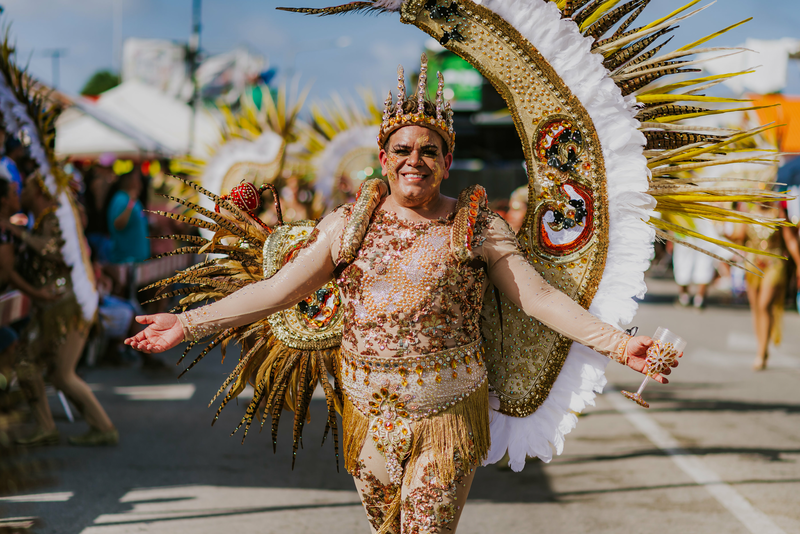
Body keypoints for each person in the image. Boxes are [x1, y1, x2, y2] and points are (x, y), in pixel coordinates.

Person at [126, 60, 677, 533]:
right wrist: (188, 322)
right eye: (403, 149)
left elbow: (537, 299)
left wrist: (618, 343)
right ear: (384, 159)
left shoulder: (476, 225)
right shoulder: (347, 225)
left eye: (429, 150)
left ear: (447, 161)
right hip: (368, 412)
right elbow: (276, 291)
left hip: (447, 412)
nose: (415, 159)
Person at [12, 173, 117, 446]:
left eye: (25, 188)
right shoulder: (50, 219)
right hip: (57, 307)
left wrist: (16, 231)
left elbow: (51, 249)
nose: (20, 192)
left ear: (38, 192)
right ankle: (54, 425)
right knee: (40, 367)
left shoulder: (55, 219)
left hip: (66, 307)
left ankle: (100, 428)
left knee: (59, 373)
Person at [731, 201, 800, 370]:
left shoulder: (778, 212)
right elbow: (739, 237)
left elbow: (790, 239)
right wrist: (720, 225)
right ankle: (761, 346)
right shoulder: (747, 210)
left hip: (774, 264)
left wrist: (799, 263)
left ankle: (761, 353)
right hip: (752, 264)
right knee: (756, 308)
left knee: (764, 305)